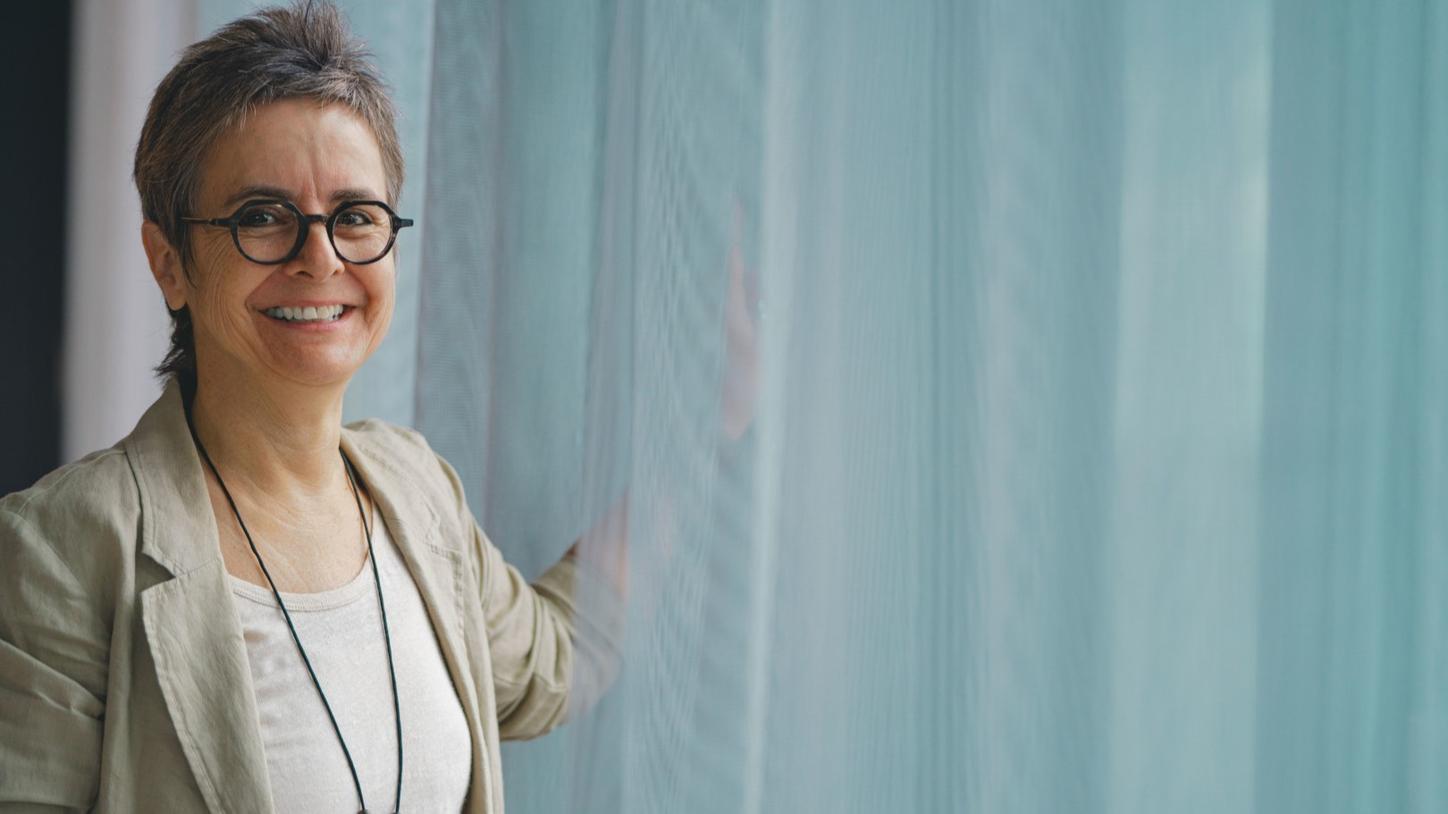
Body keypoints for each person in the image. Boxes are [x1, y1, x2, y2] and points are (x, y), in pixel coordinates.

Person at [0, 2, 624, 811]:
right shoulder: (60, 547)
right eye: (263, 217)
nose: (321, 257)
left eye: (356, 216)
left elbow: (554, 661)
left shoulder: (418, 492)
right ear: (170, 264)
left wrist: (707, 430)